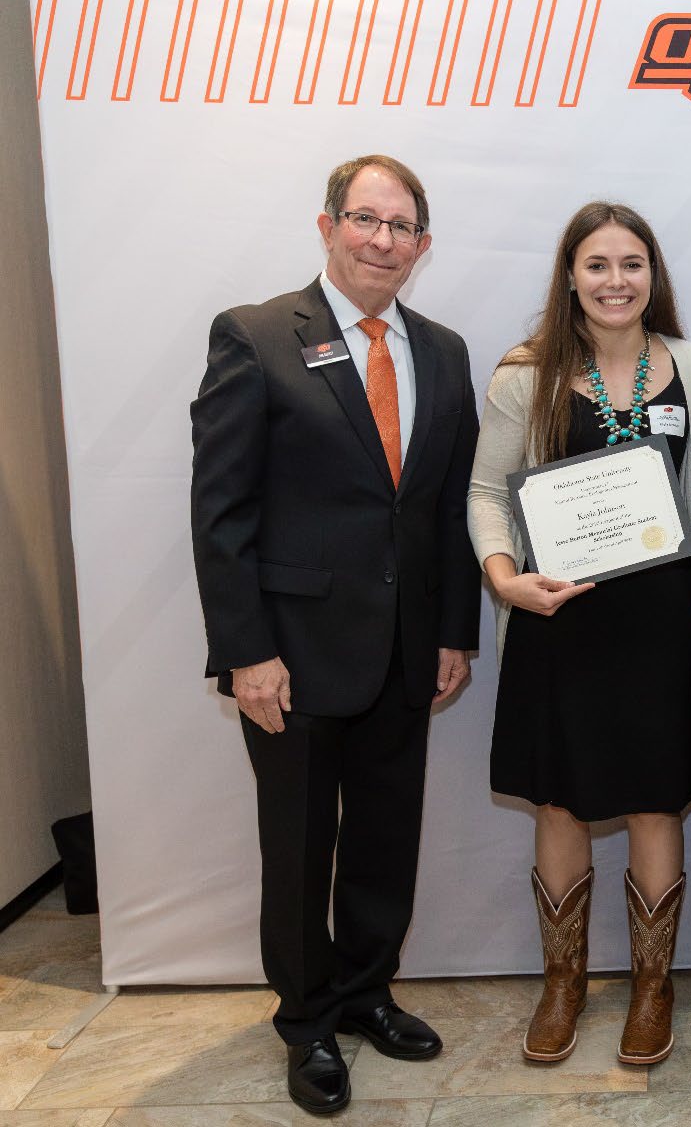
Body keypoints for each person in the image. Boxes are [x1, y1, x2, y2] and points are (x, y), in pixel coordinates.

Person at [190, 155, 481, 1114]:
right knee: (300, 847)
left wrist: (453, 633)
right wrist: (245, 652)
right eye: (366, 220)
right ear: (328, 227)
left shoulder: (442, 351)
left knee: (384, 841)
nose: (382, 241)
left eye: (402, 228)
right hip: (293, 654)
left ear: (423, 246)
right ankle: (306, 1020)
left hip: (406, 651)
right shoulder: (256, 336)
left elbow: (443, 508)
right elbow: (220, 512)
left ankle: (365, 992)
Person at [467, 202, 691, 1066]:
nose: (615, 281)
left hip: (662, 624)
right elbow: (486, 493)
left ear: (653, 275)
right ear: (569, 276)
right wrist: (504, 579)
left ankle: (651, 987)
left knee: (654, 798)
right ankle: (562, 983)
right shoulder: (525, 374)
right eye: (597, 264)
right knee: (560, 800)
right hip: (556, 619)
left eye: (631, 263)